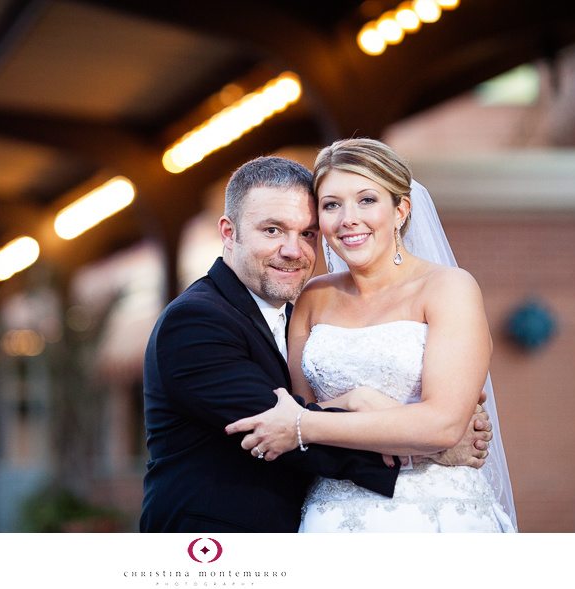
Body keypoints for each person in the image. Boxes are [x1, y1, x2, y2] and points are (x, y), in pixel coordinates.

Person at [140, 155, 491, 533]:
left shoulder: (293, 311)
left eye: (307, 233)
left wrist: (434, 427)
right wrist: (427, 447)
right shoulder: (196, 322)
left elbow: (300, 415)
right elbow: (275, 422)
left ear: (401, 210)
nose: (293, 250)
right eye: (272, 230)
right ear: (228, 232)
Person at [226, 139, 517, 532]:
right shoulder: (313, 298)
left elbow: (444, 426)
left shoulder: (449, 289)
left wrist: (302, 426)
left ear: (401, 210)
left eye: (366, 200)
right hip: (332, 516)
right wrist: (358, 402)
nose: (348, 218)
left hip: (437, 514)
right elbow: (303, 410)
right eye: (331, 205)